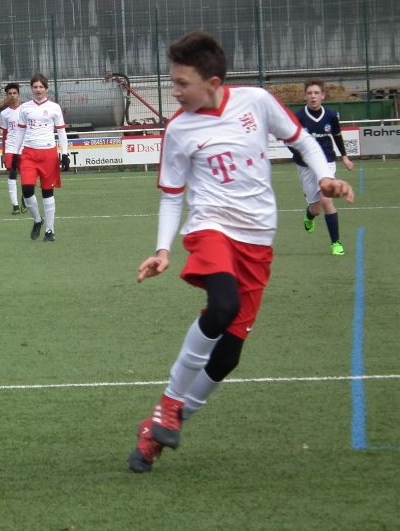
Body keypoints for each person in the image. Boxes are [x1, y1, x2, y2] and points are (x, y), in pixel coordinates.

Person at [128, 31, 354, 473]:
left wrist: (325, 176)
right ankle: (168, 404)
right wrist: (162, 249)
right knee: (222, 305)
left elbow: (302, 140)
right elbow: (172, 196)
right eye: (173, 83)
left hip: (258, 238)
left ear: (212, 82)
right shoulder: (179, 129)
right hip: (211, 228)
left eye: (182, 83)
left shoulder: (256, 102)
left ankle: (159, 430)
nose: (175, 92)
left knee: (228, 356)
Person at [290, 78, 355, 256]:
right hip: (305, 166)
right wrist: (302, 154)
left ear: (323, 96)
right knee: (316, 208)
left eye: (316, 93)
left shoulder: (331, 116)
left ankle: (336, 243)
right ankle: (309, 215)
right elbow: (290, 142)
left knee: (326, 199)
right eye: (310, 93)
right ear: (305, 96)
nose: (313, 96)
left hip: (326, 162)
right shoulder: (297, 118)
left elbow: (337, 136)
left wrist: (344, 157)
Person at [11, 73, 71, 242]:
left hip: (48, 154)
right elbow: (20, 131)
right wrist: (15, 153)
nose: (38, 90)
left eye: (41, 87)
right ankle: (37, 220)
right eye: (35, 87)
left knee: (47, 192)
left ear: (46, 89)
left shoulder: (54, 108)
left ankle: (50, 231)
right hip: (29, 154)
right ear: (31, 89)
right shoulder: (25, 108)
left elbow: (61, 132)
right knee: (27, 190)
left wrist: (65, 154)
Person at [0, 82, 24, 215]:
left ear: (18, 95)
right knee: (12, 173)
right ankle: (15, 205)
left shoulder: (25, 110)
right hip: (11, 147)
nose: (12, 96)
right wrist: (3, 152)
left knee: (26, 174)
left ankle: (25, 198)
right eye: (10, 94)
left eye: (14, 93)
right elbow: (4, 134)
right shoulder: (4, 114)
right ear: (7, 96)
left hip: (24, 147)